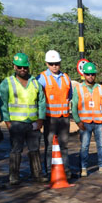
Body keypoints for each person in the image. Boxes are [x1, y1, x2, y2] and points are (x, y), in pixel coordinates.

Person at [0, 52, 47, 185]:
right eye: (19, 67)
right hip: (16, 123)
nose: (22, 70)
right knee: (16, 150)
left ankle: (37, 175)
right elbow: (2, 103)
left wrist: (40, 119)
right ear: (14, 67)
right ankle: (14, 176)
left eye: (25, 67)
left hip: (33, 123)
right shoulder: (7, 82)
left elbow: (42, 102)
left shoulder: (35, 83)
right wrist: (7, 121)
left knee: (34, 149)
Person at [71, 62, 102, 176]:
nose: (90, 76)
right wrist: (78, 121)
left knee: (101, 145)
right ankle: (83, 168)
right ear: (84, 75)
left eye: (92, 74)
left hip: (99, 122)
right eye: (88, 74)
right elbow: (74, 107)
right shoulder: (78, 88)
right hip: (85, 123)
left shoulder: (100, 88)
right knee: (84, 146)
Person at [38, 50, 71, 178]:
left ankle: (66, 171)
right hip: (49, 118)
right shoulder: (41, 78)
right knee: (50, 146)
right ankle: (49, 171)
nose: (54, 66)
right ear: (46, 64)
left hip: (63, 118)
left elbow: (69, 95)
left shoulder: (66, 77)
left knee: (64, 146)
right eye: (51, 64)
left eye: (56, 63)